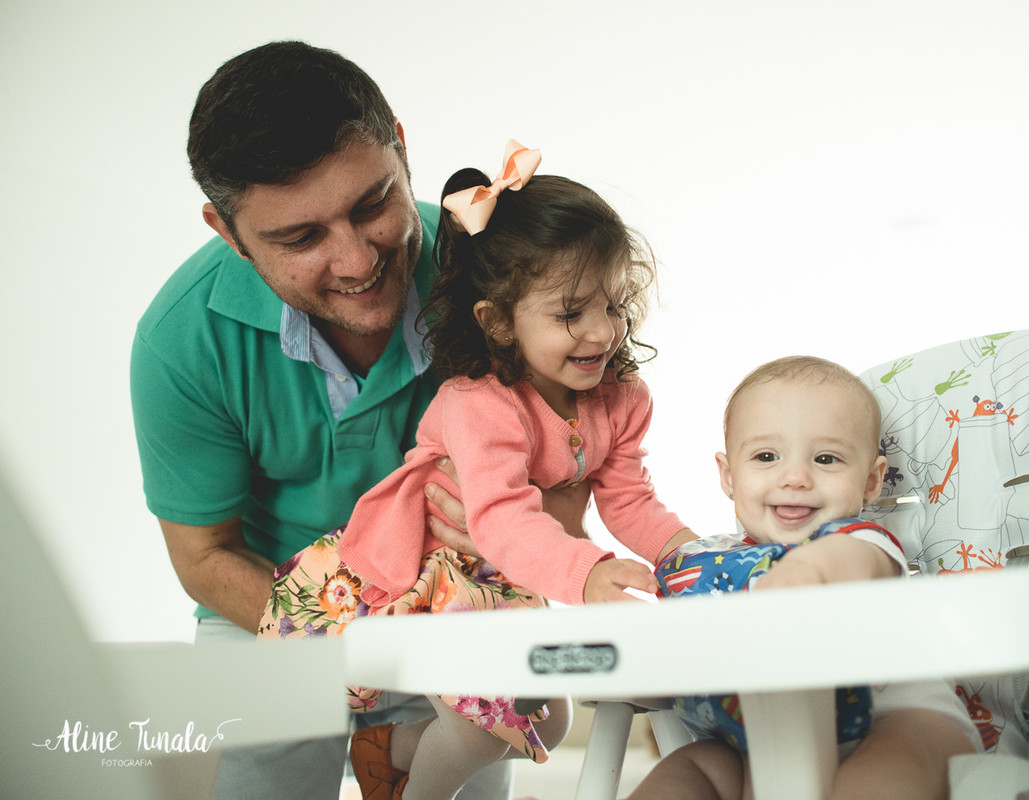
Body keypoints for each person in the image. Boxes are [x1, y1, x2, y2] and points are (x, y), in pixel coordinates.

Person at [130, 42, 580, 800]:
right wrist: (365, 643)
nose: (356, 261)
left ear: (401, 148)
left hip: (457, 602)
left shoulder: (500, 275)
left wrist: (523, 528)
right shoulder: (179, 340)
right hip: (267, 605)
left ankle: (395, 747)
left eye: (372, 205)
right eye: (301, 238)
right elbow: (204, 556)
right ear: (227, 231)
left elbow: (577, 471)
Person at [260, 141, 700, 800]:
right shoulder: (480, 403)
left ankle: (388, 750)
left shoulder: (621, 397)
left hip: (502, 576)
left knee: (549, 722)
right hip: (423, 570)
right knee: (480, 731)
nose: (602, 332)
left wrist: (690, 556)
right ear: (499, 324)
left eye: (614, 305)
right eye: (570, 313)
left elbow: (630, 499)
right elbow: (500, 520)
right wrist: (588, 572)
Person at [630, 356, 982, 800]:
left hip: (894, 720)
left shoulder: (862, 541)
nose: (795, 477)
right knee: (691, 766)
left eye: (826, 459)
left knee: (886, 766)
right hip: (763, 744)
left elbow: (845, 563)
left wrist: (803, 572)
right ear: (729, 475)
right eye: (766, 456)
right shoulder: (712, 566)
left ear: (871, 481)